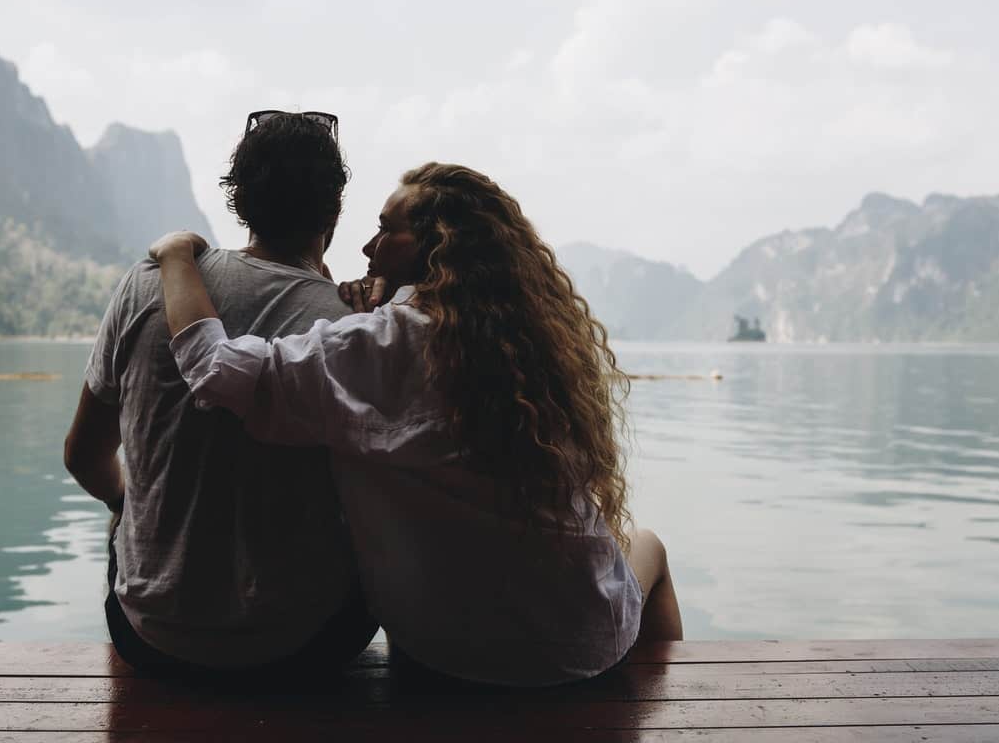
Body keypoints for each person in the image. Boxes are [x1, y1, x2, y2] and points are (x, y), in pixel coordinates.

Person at [151, 162, 683, 687]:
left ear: (436, 248)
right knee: (647, 544)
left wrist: (177, 256)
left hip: (444, 654)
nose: (367, 247)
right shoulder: (533, 355)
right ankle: (675, 704)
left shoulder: (382, 347)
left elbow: (214, 370)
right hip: (580, 651)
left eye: (386, 229)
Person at [63, 111, 377, 678]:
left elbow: (83, 456)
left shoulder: (148, 283)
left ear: (239, 204)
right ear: (334, 210)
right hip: (309, 644)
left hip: (149, 638)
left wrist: (122, 503)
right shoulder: (355, 322)